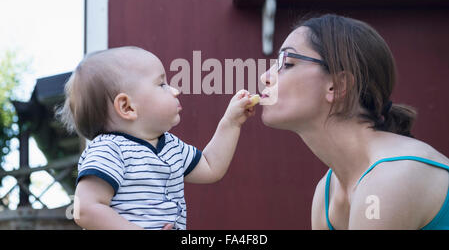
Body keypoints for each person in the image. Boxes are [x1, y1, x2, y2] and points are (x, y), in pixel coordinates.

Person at [259, 14, 449, 229]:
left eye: (288, 63)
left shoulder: (389, 177)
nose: (265, 77)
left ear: (338, 86)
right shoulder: (327, 192)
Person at [57, 46, 255, 230]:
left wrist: (231, 122)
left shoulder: (170, 146)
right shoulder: (109, 149)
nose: (175, 90)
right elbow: (86, 209)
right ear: (127, 107)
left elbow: (211, 167)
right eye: (162, 84)